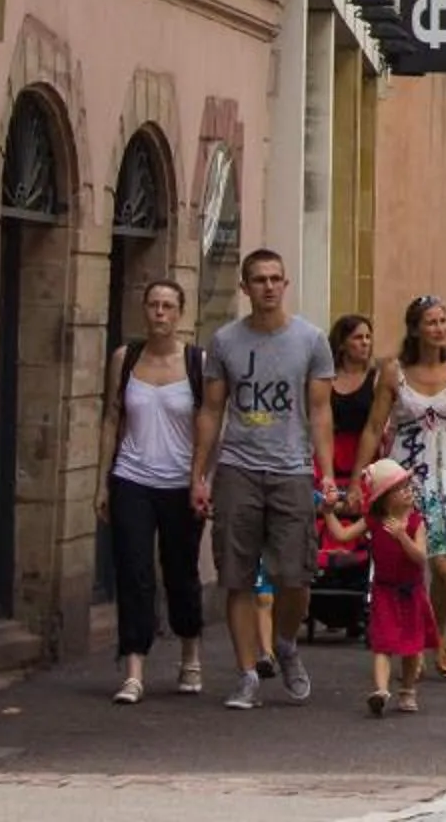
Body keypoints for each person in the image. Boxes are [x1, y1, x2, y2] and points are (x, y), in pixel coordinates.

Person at [191, 248, 339, 709]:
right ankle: (247, 673)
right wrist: (200, 474)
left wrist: (328, 474)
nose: (268, 287)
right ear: (245, 287)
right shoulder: (225, 342)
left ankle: (287, 643)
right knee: (236, 577)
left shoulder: (310, 340)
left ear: (286, 284)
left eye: (276, 279)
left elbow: (319, 410)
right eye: (259, 280)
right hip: (238, 467)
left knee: (294, 576)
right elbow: (212, 409)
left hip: (291, 468)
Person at [95, 278, 211, 704]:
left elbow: (208, 425)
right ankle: (134, 668)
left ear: (180, 312)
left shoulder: (198, 362)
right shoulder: (125, 359)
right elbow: (111, 418)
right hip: (132, 477)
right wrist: (102, 481)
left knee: (180, 572)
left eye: (168, 306)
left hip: (180, 482)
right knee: (134, 572)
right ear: (144, 310)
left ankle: (190, 654)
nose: (160, 313)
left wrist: (201, 478)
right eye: (153, 306)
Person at [361, 294, 446, 675]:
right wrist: (357, 480)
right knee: (405, 566)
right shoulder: (393, 371)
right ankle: (411, 641)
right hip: (406, 477)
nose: (439, 329)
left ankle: (440, 634)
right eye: (431, 322)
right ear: (415, 328)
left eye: (443, 321)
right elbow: (373, 426)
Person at [357, 458, 434, 717]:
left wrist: (402, 537)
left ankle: (408, 689)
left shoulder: (416, 523)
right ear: (386, 498)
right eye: (401, 488)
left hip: (410, 590)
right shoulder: (375, 522)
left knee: (412, 646)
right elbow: (343, 535)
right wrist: (328, 512)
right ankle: (380, 690)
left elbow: (421, 557)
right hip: (384, 590)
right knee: (383, 642)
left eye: (408, 486)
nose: (409, 491)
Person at [324, 316, 377, 487]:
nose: (365, 342)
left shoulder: (377, 378)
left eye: (368, 337)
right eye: (358, 337)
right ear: (342, 344)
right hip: (330, 453)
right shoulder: (326, 379)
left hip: (366, 457)